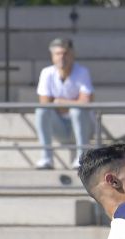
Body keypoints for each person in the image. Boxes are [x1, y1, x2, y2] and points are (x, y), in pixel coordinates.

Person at [35, 37, 94, 170]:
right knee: (41, 111)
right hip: (59, 127)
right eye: (58, 53)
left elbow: (86, 102)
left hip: (82, 126)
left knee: (77, 111)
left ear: (72, 55)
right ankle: (46, 158)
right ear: (52, 56)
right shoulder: (47, 72)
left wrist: (59, 102)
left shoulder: (82, 72)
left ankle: (82, 159)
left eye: (65, 53)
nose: (62, 57)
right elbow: (44, 103)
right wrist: (74, 102)